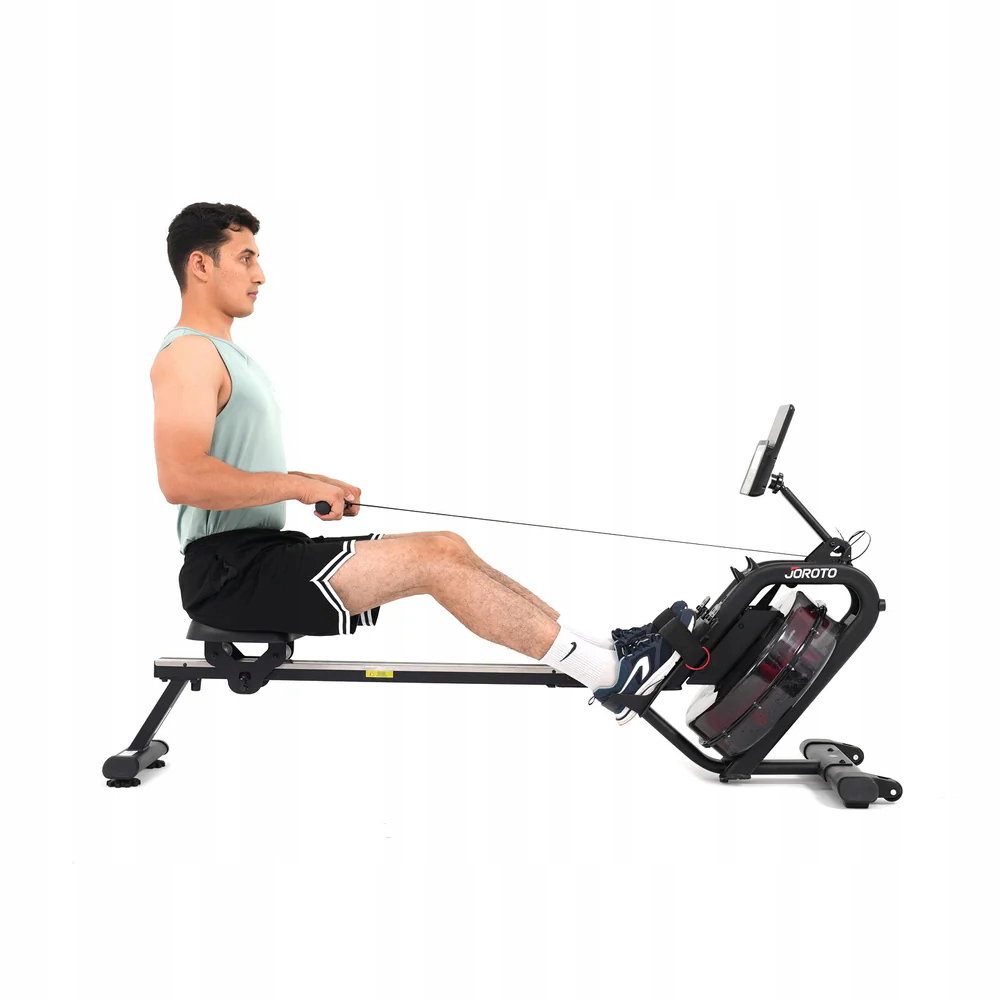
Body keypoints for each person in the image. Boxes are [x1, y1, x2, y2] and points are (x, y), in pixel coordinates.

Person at [157, 202, 669, 724]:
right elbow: (182, 478)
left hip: (258, 556)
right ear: (201, 265)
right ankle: (609, 676)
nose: (260, 274)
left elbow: (229, 464)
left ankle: (603, 651)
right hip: (229, 576)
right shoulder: (189, 355)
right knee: (434, 561)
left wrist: (309, 481)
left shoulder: (221, 353)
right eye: (245, 258)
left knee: (447, 546)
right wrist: (296, 488)